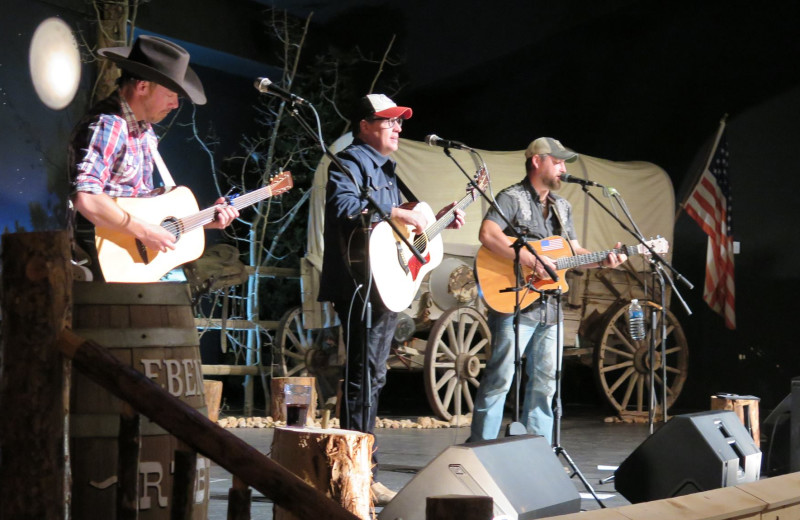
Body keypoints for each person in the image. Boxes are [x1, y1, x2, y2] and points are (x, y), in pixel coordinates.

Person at [318, 94, 465, 505]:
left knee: (372, 378)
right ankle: (356, 476)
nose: (398, 128)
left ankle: (363, 471)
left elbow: (402, 241)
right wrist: (398, 213)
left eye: (400, 122)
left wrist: (438, 222)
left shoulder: (387, 170)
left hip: (381, 284)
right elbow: (345, 207)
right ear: (364, 126)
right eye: (389, 122)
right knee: (362, 380)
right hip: (360, 285)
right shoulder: (349, 161)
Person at [470, 137, 627, 444]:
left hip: (551, 306)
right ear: (536, 161)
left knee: (546, 382)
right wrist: (529, 258)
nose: (562, 168)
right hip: (515, 299)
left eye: (564, 163)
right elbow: (488, 234)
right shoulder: (512, 197)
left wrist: (604, 259)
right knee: (501, 377)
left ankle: (536, 449)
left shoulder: (562, 207)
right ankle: (480, 447)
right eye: (557, 161)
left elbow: (572, 252)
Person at [68, 35, 238, 280]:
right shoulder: (109, 124)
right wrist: (145, 231)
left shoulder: (145, 132)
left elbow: (145, 209)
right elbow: (87, 197)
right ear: (143, 86)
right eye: (171, 93)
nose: (175, 104)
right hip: (95, 268)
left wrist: (204, 219)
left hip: (131, 267)